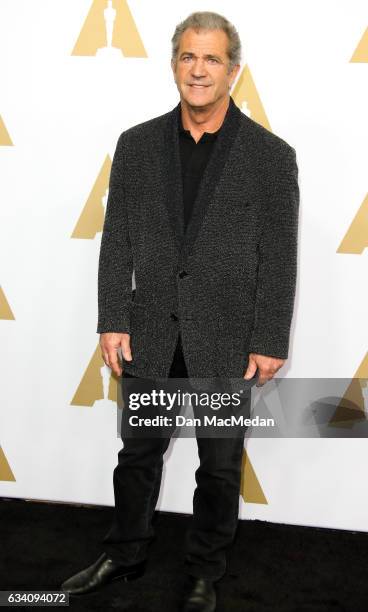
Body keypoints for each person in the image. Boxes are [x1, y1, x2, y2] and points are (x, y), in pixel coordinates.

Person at [61, 10, 300, 612]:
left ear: (233, 71)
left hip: (228, 337)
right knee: (138, 454)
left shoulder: (272, 157)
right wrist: (113, 317)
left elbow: (279, 256)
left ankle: (204, 570)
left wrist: (269, 336)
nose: (199, 70)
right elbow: (117, 239)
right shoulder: (137, 145)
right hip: (149, 331)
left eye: (212, 59)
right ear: (173, 65)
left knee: (219, 467)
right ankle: (125, 552)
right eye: (188, 57)